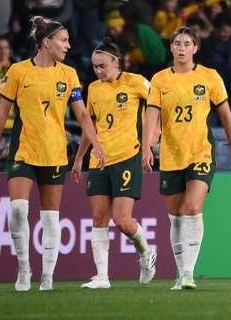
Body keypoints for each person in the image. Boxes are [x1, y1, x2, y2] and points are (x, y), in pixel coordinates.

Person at [0, 17, 107, 292]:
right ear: (46, 42)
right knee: (18, 210)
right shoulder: (18, 71)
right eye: (63, 40)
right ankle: (24, 268)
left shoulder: (69, 74)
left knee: (50, 217)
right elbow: (2, 112)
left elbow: (83, 114)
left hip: (54, 152)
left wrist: (97, 145)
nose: (68, 45)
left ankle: (48, 276)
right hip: (23, 150)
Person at [141, 26, 231, 291]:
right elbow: (151, 117)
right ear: (171, 48)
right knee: (176, 216)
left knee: (191, 208)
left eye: (186, 43)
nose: (181, 48)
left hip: (201, 151)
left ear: (195, 48)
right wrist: (145, 148)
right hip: (170, 154)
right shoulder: (160, 80)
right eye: (177, 43)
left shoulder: (209, 77)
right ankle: (181, 272)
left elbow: (226, 118)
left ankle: (188, 273)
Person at [71, 38, 157, 289]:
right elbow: (90, 127)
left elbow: (157, 107)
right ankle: (102, 276)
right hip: (99, 160)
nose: (98, 71)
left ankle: (146, 252)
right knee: (98, 216)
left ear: (116, 62)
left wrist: (149, 144)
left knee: (121, 219)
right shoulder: (94, 89)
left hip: (127, 157)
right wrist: (79, 160)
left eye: (103, 66)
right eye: (95, 67)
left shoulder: (136, 82)